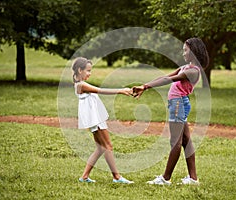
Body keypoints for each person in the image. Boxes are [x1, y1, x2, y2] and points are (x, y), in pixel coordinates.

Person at [132, 38, 209, 185]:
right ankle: (193, 178)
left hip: (178, 104)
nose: (183, 53)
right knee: (186, 141)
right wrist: (145, 85)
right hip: (179, 103)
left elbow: (170, 80)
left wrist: (146, 87)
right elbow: (166, 76)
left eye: (185, 50)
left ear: (194, 51)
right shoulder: (187, 67)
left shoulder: (193, 71)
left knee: (176, 142)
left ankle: (165, 178)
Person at [72, 57, 134, 184]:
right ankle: (117, 177)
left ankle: (84, 177)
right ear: (80, 70)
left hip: (96, 118)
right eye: (88, 70)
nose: (90, 73)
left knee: (101, 148)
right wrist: (121, 91)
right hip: (95, 120)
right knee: (108, 146)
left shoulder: (80, 84)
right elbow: (101, 90)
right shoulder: (81, 85)